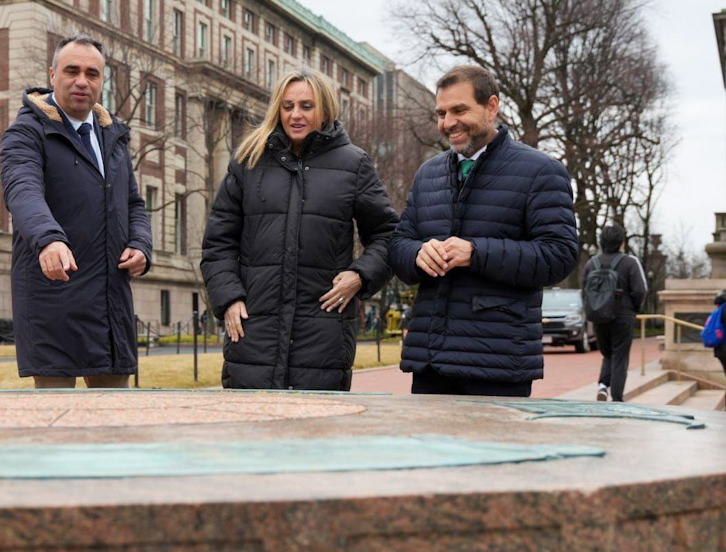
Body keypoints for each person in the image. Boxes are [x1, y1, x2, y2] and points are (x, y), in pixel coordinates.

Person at [199, 69, 398, 390]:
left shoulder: (354, 164)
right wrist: (228, 297)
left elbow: (389, 235)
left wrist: (360, 275)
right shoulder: (248, 160)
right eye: (287, 106)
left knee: (317, 434)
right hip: (254, 331)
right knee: (251, 434)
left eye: (306, 106)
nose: (295, 115)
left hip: (324, 335)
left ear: (324, 109)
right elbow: (218, 242)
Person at [388, 65, 578, 397]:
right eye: (442, 113)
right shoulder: (427, 174)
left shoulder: (542, 171)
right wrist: (417, 254)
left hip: (498, 365)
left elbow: (559, 256)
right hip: (430, 363)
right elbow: (398, 246)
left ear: (491, 107)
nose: (448, 123)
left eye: (459, 110)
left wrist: (476, 253)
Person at [0, 34, 152, 389]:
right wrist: (48, 240)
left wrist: (141, 244)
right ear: (52, 74)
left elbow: (133, 205)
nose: (82, 81)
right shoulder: (25, 133)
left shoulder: (113, 138)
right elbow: (23, 191)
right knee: (59, 427)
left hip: (110, 300)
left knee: (113, 425)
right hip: (54, 296)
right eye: (72, 71)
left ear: (102, 81)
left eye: (92, 73)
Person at [581, 224, 647, 402]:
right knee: (619, 356)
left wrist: (593, 310)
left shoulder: (591, 264)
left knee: (607, 354)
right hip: (622, 316)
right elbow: (640, 290)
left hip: (598, 316)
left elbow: (584, 291)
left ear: (602, 242)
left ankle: (603, 386)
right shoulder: (630, 262)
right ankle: (617, 398)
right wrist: (634, 308)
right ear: (621, 242)